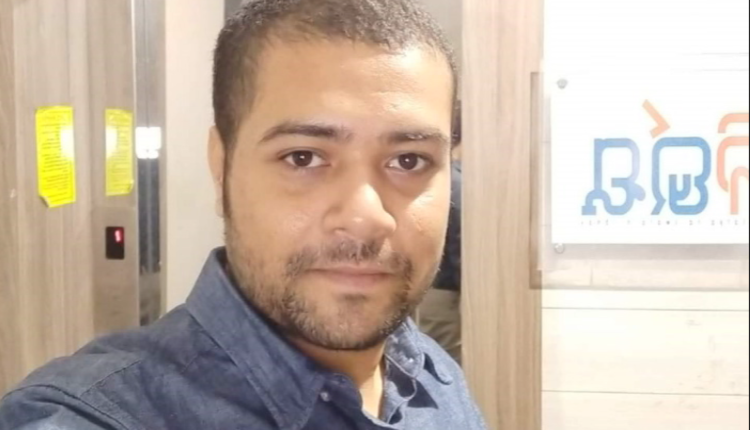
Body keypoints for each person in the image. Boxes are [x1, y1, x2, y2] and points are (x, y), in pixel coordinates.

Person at [0, 1, 487, 429]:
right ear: (222, 168)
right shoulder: (96, 414)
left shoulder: (433, 375)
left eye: (409, 161)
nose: (366, 218)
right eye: (303, 157)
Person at [419, 112, 462, 365]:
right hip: (444, 291)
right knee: (444, 361)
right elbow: (458, 242)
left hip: (431, 287)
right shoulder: (454, 182)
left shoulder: (438, 180)